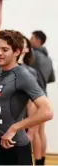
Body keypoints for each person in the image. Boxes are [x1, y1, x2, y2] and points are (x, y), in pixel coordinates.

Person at [0, 30, 53, 165]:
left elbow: (47, 112)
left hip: (16, 148)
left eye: (5, 50)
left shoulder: (23, 75)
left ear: (17, 52)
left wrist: (14, 128)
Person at [30, 30, 56, 165]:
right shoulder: (48, 59)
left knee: (34, 132)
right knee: (41, 131)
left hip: (35, 98)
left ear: (38, 40)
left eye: (32, 38)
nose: (30, 40)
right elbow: (51, 78)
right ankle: (42, 161)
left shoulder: (33, 55)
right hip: (44, 96)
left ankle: (38, 162)